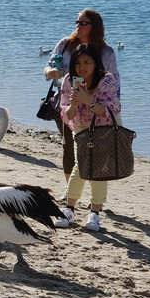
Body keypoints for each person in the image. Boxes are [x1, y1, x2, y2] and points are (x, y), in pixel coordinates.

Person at [44, 9, 120, 183]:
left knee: (96, 150)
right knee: (69, 147)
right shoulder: (65, 44)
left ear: (95, 27)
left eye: (83, 23)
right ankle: (69, 189)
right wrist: (52, 72)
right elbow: (47, 68)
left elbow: (115, 81)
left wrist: (113, 108)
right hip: (66, 101)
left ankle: (92, 192)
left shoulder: (105, 52)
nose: (78, 26)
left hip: (96, 106)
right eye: (77, 22)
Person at [54, 43, 121, 233]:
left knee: (98, 169)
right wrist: (74, 105)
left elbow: (109, 111)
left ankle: (95, 213)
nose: (82, 67)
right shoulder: (69, 80)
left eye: (87, 62)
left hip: (105, 125)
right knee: (81, 164)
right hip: (82, 124)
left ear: (96, 63)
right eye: (78, 63)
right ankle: (69, 209)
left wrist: (88, 101)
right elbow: (66, 113)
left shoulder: (106, 80)